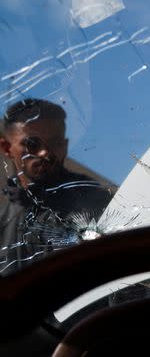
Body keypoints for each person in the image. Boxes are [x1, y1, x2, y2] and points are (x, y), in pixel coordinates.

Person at [0, 98, 113, 274]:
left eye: (55, 143)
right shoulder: (4, 221)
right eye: (32, 144)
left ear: (65, 146)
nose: (45, 152)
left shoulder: (95, 200)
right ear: (7, 147)